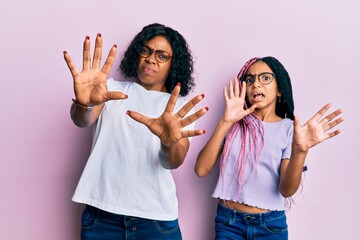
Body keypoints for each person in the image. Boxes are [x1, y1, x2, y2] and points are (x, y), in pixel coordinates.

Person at [63, 23, 208, 240]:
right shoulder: (111, 89)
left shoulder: (179, 107)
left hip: (155, 221)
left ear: (173, 64)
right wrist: (84, 104)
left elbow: (172, 162)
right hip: (101, 217)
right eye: (146, 50)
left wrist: (168, 143)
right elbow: (82, 120)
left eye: (162, 56)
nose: (151, 59)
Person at [195, 56, 344, 239]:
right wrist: (225, 121)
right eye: (250, 80)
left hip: (269, 227)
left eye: (265, 78)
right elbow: (201, 169)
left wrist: (300, 151)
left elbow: (287, 190)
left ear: (280, 89)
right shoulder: (233, 124)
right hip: (229, 223)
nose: (256, 84)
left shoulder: (290, 129)